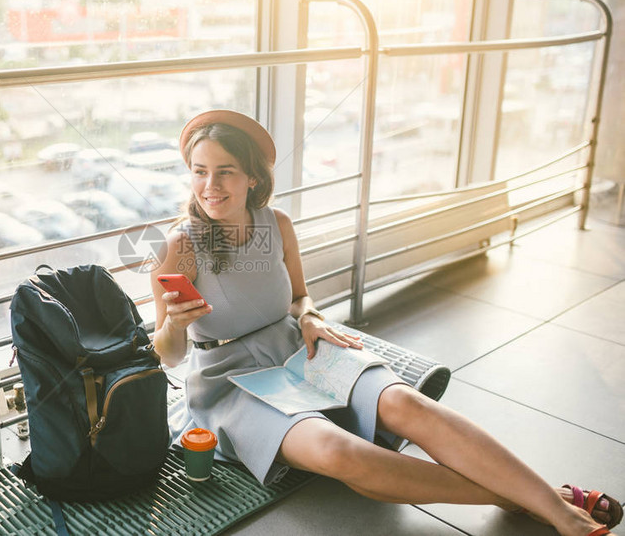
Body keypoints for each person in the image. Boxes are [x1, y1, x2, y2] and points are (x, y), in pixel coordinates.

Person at [150, 109, 621, 536]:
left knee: (410, 407)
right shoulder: (181, 246)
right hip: (231, 379)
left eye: (225, 171)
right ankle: (547, 503)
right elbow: (167, 355)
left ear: (252, 176)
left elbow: (298, 296)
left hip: (298, 347)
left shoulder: (277, 223)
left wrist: (311, 315)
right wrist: (174, 324)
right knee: (340, 454)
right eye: (199, 171)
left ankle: (551, 509)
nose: (210, 185)